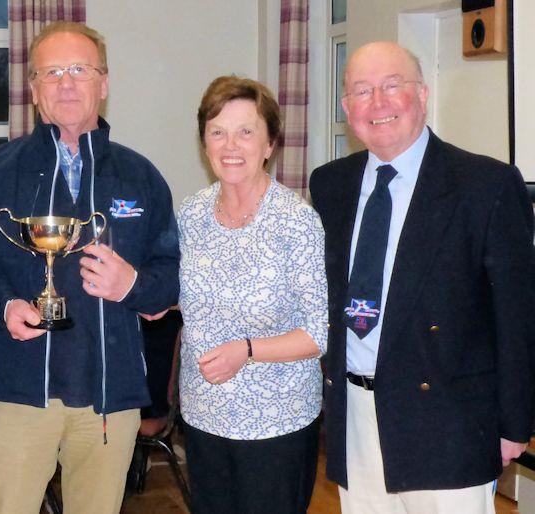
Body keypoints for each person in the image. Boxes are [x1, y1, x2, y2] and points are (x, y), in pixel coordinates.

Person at [0, 21, 180, 514]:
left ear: (104, 82)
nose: (67, 83)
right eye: (52, 73)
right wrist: (1, 305)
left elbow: (172, 274)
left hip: (111, 396)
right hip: (18, 389)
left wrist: (133, 284)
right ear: (33, 90)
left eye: (79, 69)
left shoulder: (141, 177)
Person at [309, 41, 535, 514]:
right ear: (347, 107)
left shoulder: (485, 185)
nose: (379, 103)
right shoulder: (330, 184)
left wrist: (515, 425)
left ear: (423, 94)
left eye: (393, 86)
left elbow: (518, 318)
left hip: (449, 422)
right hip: (356, 418)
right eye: (362, 91)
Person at [177, 75, 328, 514]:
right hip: (204, 416)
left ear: (269, 144)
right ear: (204, 142)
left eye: (246, 132)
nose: (230, 145)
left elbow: (318, 334)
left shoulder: (296, 221)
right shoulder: (192, 214)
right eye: (217, 131)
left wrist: (246, 350)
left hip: (276, 423)